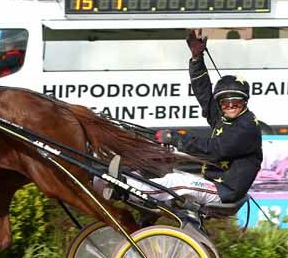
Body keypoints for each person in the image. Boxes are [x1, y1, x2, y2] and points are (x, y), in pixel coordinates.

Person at [99, 29, 263, 206]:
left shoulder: (247, 127)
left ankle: (124, 187)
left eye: (236, 102)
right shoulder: (226, 117)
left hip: (224, 191)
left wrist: (175, 138)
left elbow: (215, 149)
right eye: (225, 102)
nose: (230, 106)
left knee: (174, 183)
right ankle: (129, 184)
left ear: (245, 102)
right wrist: (197, 60)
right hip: (213, 182)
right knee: (163, 172)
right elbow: (204, 93)